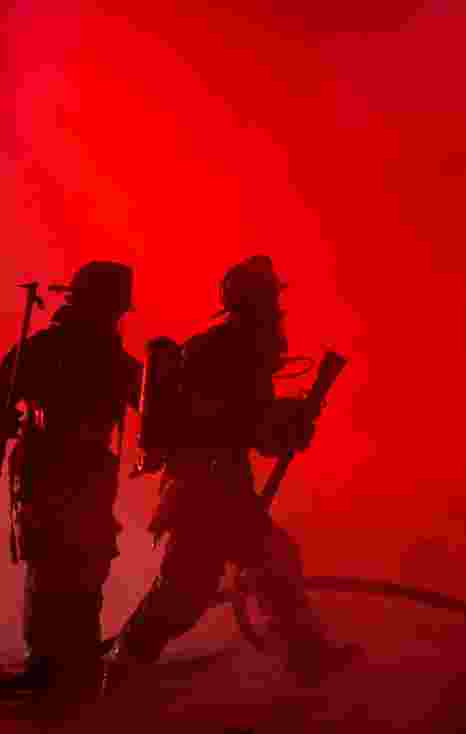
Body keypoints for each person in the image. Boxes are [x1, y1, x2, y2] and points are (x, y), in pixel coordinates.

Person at [103, 255, 360, 695]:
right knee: (185, 592)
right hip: (201, 488)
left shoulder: (245, 349)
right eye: (268, 298)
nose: (276, 309)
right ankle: (124, 667)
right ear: (253, 302)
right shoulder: (220, 350)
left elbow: (253, 428)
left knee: (273, 561)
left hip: (223, 486)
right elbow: (219, 420)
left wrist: (287, 425)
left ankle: (305, 657)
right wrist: (279, 422)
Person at [0, 261, 143, 703]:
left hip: (90, 468)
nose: (114, 317)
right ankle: (45, 660)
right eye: (110, 307)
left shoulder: (114, 357)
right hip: (46, 465)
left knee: (89, 559)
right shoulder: (46, 348)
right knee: (51, 562)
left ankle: (79, 654)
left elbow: (150, 400)